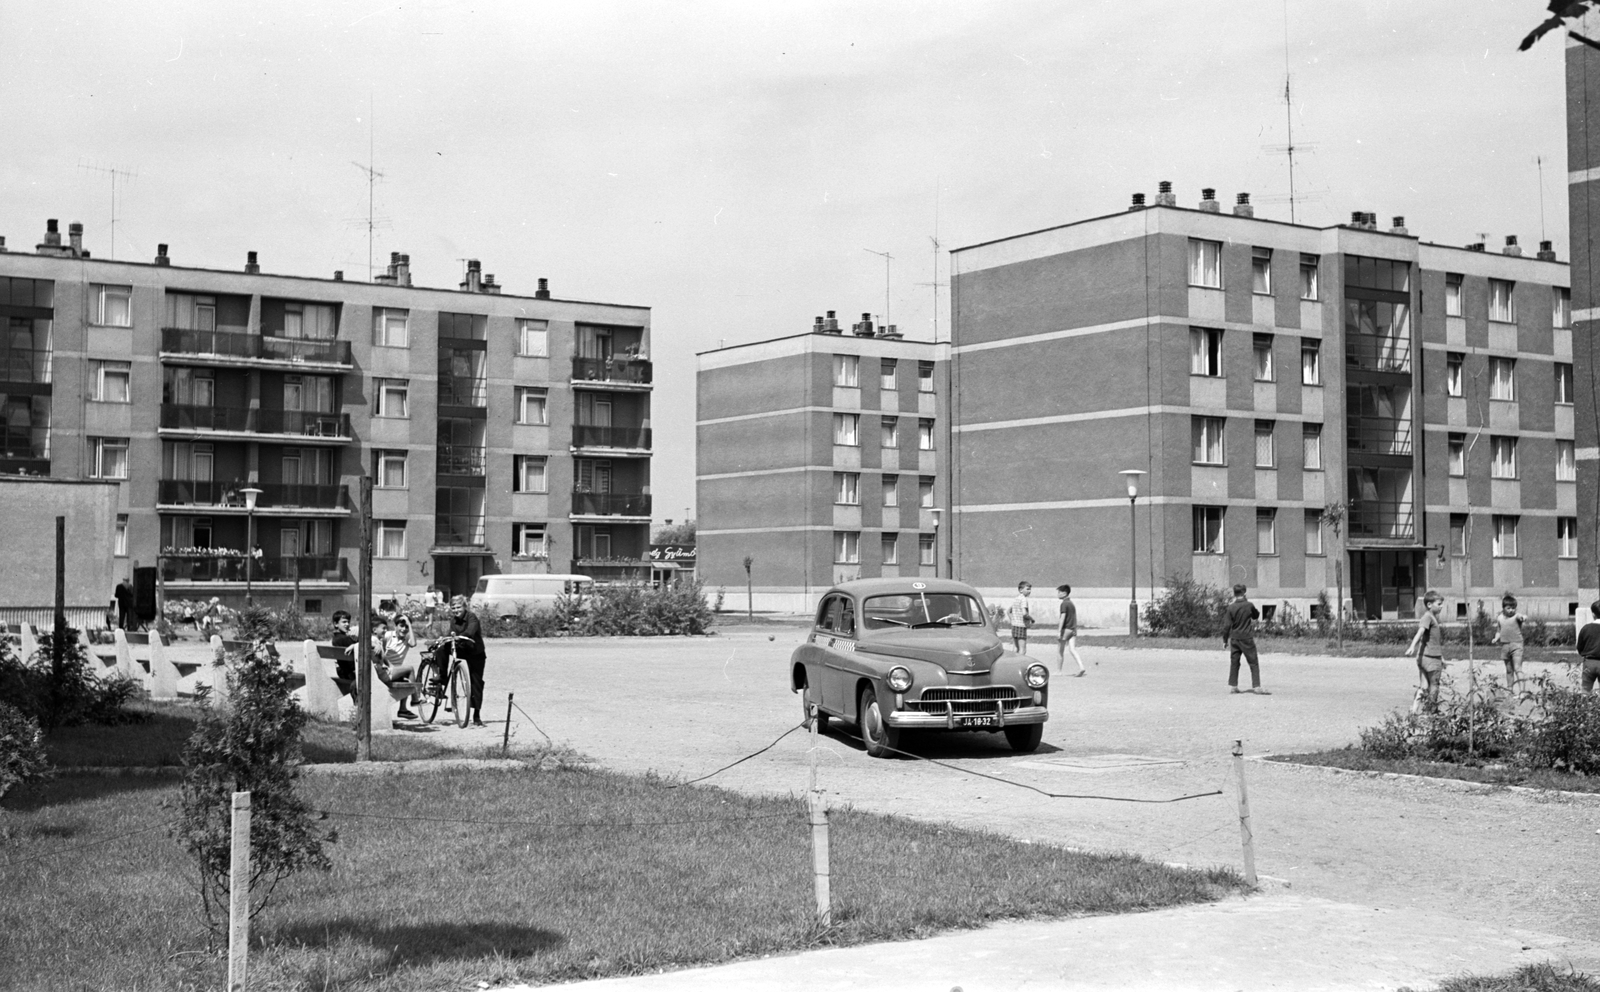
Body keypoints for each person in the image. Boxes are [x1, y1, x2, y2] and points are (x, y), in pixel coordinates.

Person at [430, 595, 487, 726]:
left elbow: (470, 631)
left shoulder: (472, 617)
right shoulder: (453, 620)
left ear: (465, 607)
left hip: (474, 651)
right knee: (441, 649)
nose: (456, 610)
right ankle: (442, 677)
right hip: (461, 648)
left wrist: (460, 637)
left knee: (476, 682)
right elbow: (451, 633)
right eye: (453, 608)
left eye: (458, 607)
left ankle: (476, 715)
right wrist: (444, 638)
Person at [370, 612, 419, 719]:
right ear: (395, 626)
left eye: (407, 627)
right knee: (410, 670)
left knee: (405, 680)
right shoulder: (387, 635)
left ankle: (403, 709)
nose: (404, 629)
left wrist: (409, 625)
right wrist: (387, 663)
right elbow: (379, 649)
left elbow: (413, 644)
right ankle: (415, 698)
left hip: (395, 671)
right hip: (387, 670)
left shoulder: (407, 638)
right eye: (401, 626)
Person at [1221, 584, 1268, 695]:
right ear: (1244, 593)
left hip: (1234, 639)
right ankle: (1256, 686)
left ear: (1234, 594)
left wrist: (1224, 640)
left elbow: (1227, 625)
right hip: (1246, 638)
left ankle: (1233, 686)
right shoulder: (1249, 605)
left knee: (1234, 662)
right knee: (1253, 662)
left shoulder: (1231, 607)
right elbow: (1256, 616)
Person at [1404, 591, 1447, 713]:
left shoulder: (1430, 617)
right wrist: (1412, 646)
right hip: (1430, 658)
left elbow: (1432, 641)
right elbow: (1420, 632)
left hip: (1425, 657)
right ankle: (1431, 711)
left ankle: (1414, 709)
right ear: (1429, 604)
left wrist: (1441, 657)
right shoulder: (1428, 617)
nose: (1441, 606)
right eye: (1439, 604)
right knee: (1434, 685)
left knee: (1424, 686)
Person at [1490, 594, 1527, 687]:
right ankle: (1510, 690)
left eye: (1513, 608)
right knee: (1509, 670)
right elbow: (1499, 631)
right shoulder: (1500, 618)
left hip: (1517, 644)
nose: (1511, 610)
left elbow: (1521, 617)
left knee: (1517, 668)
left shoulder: (1516, 616)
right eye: (1509, 608)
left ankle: (1522, 692)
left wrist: (1523, 618)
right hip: (1505, 645)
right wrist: (1496, 638)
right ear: (1503, 608)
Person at [1056, 584, 1087, 676]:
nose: (1058, 594)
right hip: (1073, 629)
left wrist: (1059, 631)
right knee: (1072, 649)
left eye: (1059, 592)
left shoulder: (1064, 604)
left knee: (1060, 650)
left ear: (1064, 593)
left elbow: (1063, 617)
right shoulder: (1071, 603)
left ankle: (1059, 671)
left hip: (1066, 629)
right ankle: (1081, 667)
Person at [329, 610, 359, 693]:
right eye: (344, 622)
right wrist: (357, 641)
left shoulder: (336, 639)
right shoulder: (345, 639)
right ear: (336, 624)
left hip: (342, 671)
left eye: (348, 622)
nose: (347, 624)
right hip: (350, 672)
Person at [1578, 601, 1600, 693]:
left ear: (1593, 614)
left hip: (1589, 662)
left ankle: (1584, 706)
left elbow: (1580, 647)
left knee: (1585, 690)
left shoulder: (1586, 628)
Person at [1006, 581, 1034, 654]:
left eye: (1030, 589)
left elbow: (1008, 611)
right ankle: (1020, 663)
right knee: (1022, 649)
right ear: (1021, 590)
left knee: (1015, 647)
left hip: (1014, 625)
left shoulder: (1016, 599)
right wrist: (1032, 619)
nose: (1029, 591)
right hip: (1021, 626)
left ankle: (1013, 663)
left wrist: (1012, 619)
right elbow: (1024, 614)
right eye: (1027, 589)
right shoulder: (1024, 599)